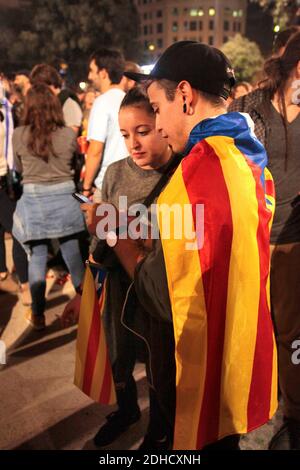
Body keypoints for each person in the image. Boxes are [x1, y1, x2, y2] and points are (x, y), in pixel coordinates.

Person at [82, 40, 277, 450]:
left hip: (205, 372)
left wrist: (115, 234)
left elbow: (160, 293)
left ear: (184, 96)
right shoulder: (247, 156)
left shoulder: (198, 174)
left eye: (155, 108)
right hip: (240, 357)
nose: (157, 123)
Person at [62, 87, 177, 450]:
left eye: (142, 131)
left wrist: (117, 222)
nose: (133, 144)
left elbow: (176, 235)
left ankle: (160, 431)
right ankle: (127, 410)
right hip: (116, 288)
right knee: (117, 356)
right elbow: (100, 242)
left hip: (158, 296)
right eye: (125, 134)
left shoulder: (181, 173)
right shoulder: (113, 173)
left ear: (164, 122)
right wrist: (83, 292)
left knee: (162, 369)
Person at [229, 31, 300, 450]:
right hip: (251, 240)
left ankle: (292, 410)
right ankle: (258, 409)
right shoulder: (248, 109)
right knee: (254, 331)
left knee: (292, 335)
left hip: (294, 240)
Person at [12, 83, 85, 330]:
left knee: (37, 257)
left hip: (34, 201)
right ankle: (87, 307)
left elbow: (19, 169)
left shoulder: (19, 135)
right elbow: (76, 166)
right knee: (73, 254)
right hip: (65, 198)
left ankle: (38, 315)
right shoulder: (67, 134)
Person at [82, 48, 128, 200]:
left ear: (103, 73)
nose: (89, 76)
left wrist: (86, 186)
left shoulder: (102, 102)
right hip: (131, 181)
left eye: (92, 70)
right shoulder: (129, 100)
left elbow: (95, 150)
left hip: (108, 184)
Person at [30, 64, 83, 135]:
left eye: (39, 87)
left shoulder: (69, 104)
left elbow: (70, 136)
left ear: (51, 84)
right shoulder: (45, 104)